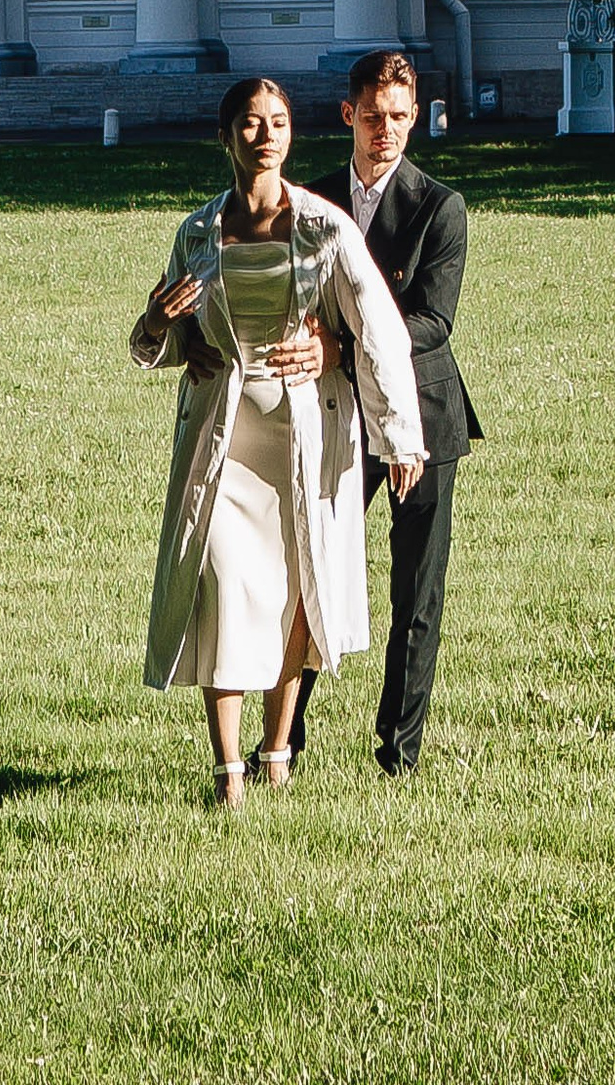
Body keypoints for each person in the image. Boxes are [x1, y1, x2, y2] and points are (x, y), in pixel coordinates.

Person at [131, 73, 425, 806]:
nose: (267, 136)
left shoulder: (324, 228)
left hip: (302, 431)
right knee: (222, 586)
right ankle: (227, 770)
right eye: (252, 123)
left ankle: (276, 753)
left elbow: (377, 328)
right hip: (222, 436)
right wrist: (162, 326)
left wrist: (399, 437)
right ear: (226, 136)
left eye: (280, 122)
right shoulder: (197, 232)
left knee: (296, 592)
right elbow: (165, 335)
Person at [291, 45, 480, 775]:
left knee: (417, 593)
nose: (385, 131)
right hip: (335, 411)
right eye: (373, 116)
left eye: (398, 117)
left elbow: (433, 321)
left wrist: (340, 344)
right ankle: (282, 742)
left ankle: (399, 754)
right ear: (349, 114)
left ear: (415, 118)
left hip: (422, 416)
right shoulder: (309, 204)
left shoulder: (440, 207)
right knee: (311, 573)